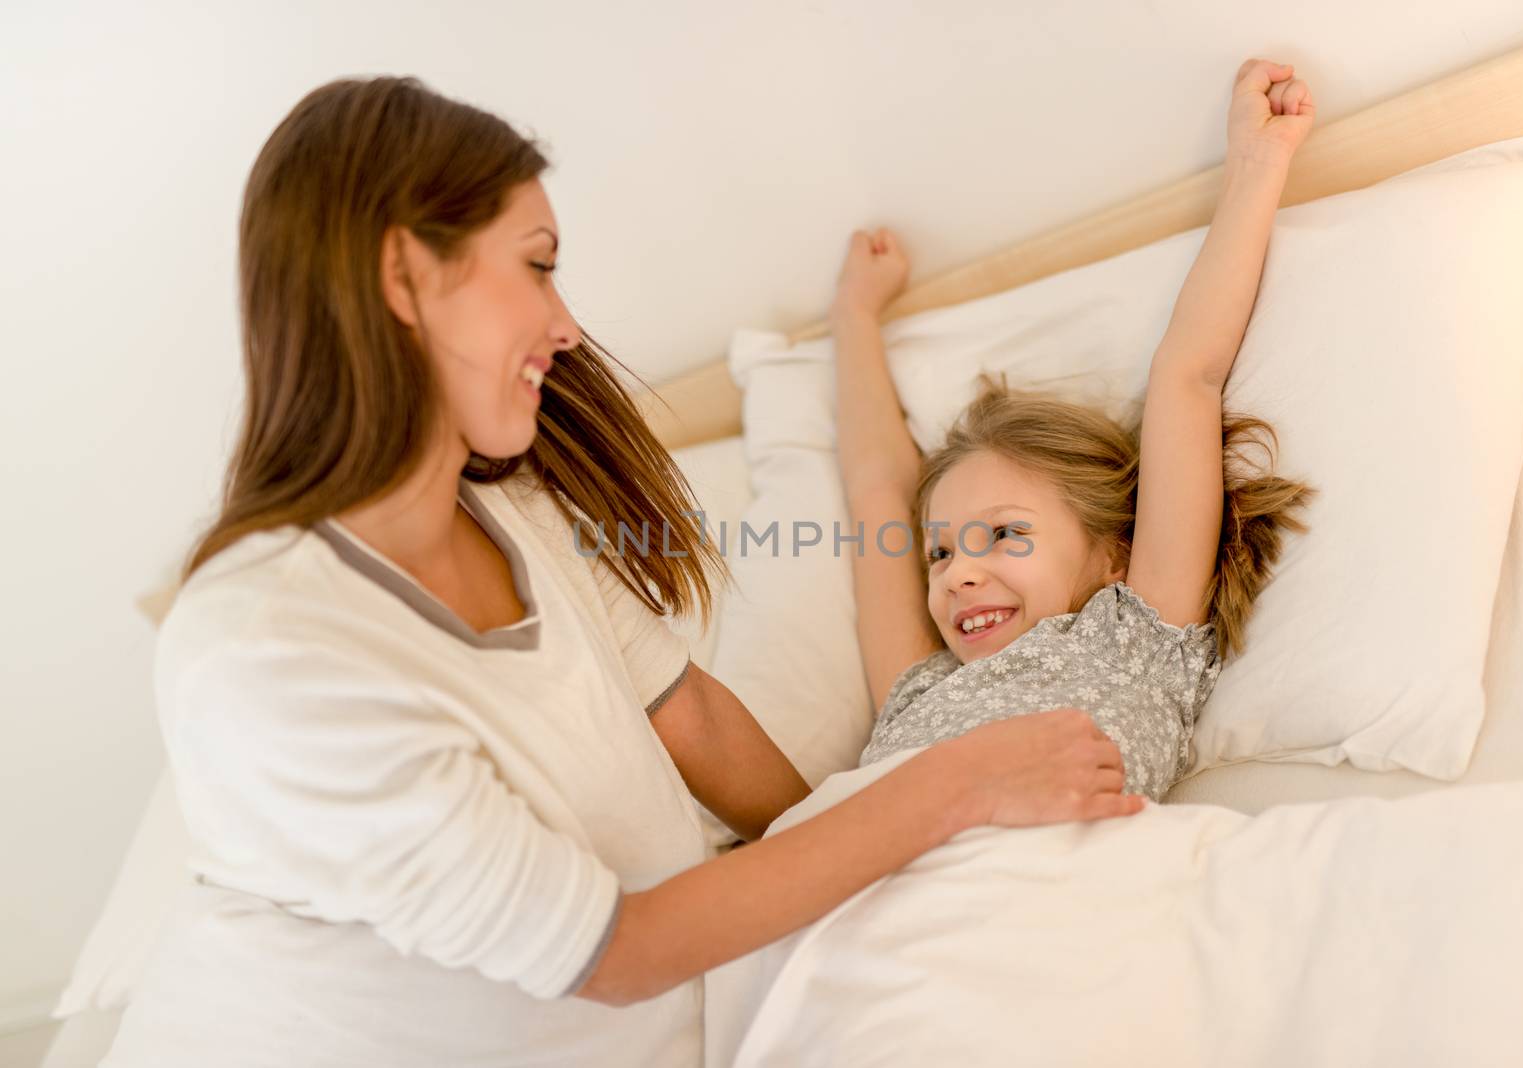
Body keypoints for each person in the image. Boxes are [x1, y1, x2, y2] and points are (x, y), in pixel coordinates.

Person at [102, 76, 1147, 1068]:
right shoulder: (270, 650)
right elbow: (615, 953)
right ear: (403, 276)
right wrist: (947, 788)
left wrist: (864, 854)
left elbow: (683, 713)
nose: (563, 326)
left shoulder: (512, 511)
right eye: (538, 265)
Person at [831, 58, 1317, 801]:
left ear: (1115, 554)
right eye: (938, 552)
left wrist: (1257, 160)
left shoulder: (1134, 637)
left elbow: (1188, 376)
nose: (956, 573)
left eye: (1002, 534)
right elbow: (875, 491)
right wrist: (855, 317)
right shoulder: (917, 689)